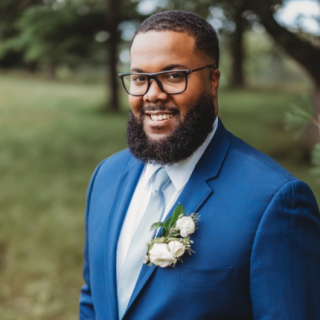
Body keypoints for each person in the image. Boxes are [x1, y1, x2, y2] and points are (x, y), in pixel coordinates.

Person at [79, 10, 320, 320]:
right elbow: (93, 299)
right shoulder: (106, 176)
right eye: (140, 78)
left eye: (173, 76)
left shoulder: (275, 202)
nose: (153, 95)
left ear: (213, 81)